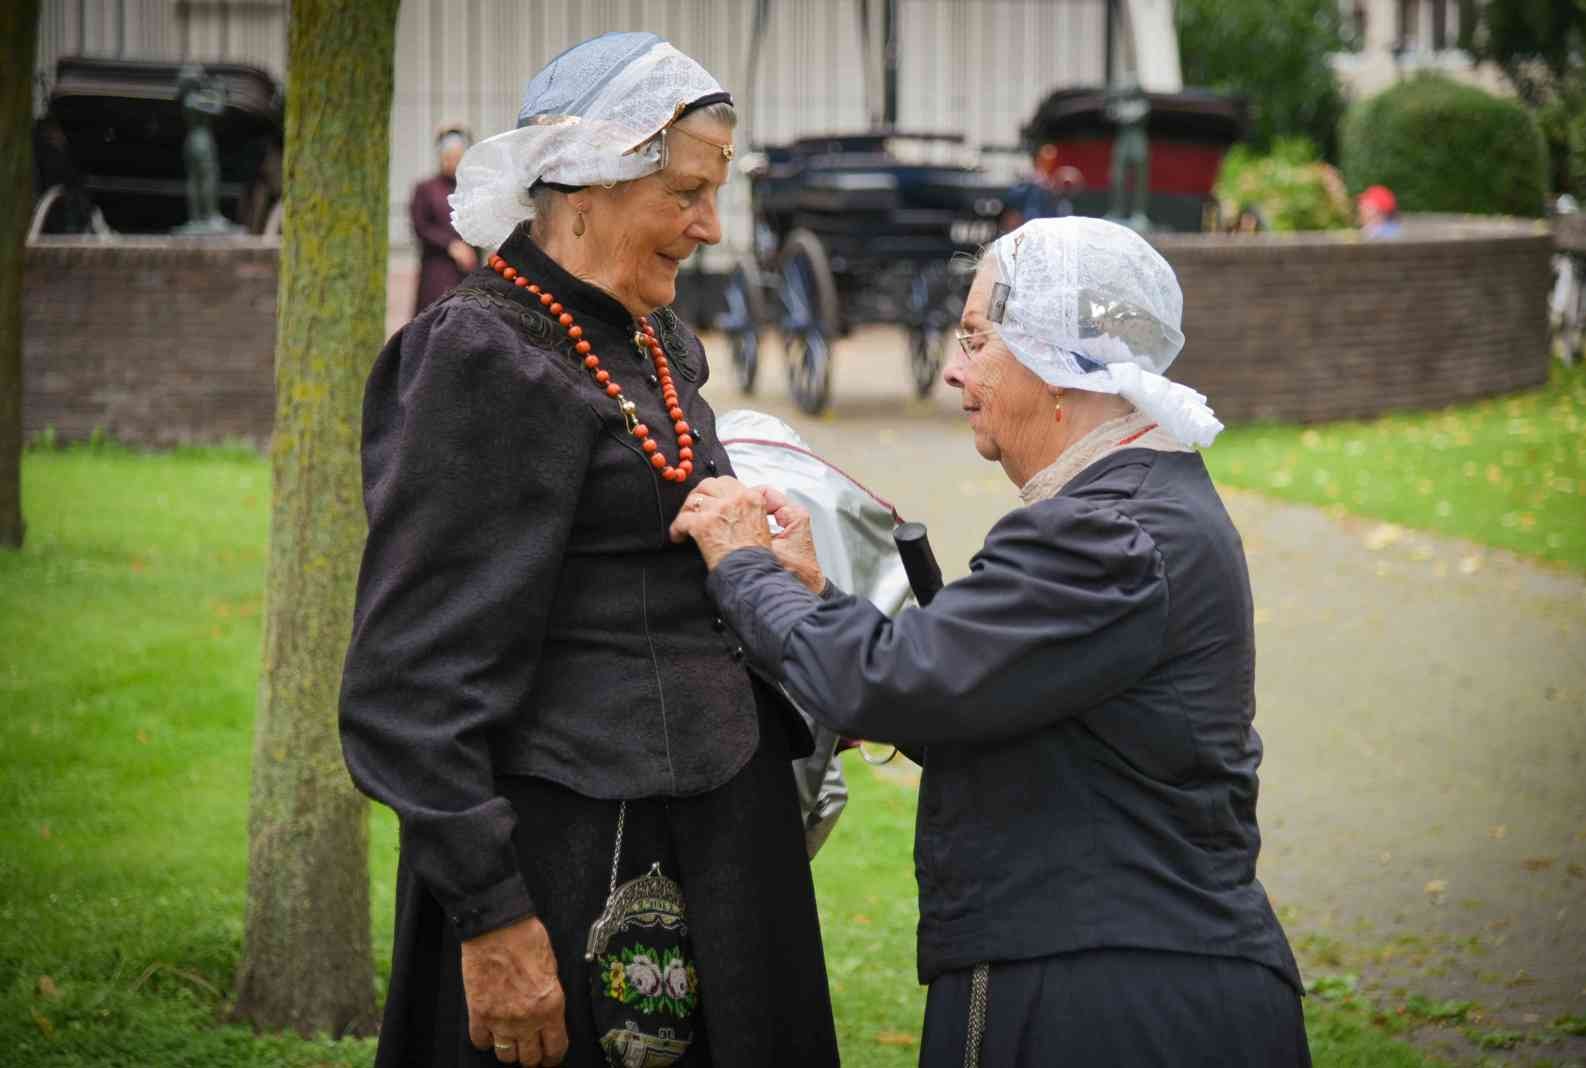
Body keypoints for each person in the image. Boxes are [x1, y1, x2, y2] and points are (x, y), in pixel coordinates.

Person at [671, 217, 1310, 1067]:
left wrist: (745, 567)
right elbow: (970, 697)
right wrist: (816, 594)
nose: (954, 369)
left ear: (1056, 363)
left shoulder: (1106, 535)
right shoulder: (1139, 506)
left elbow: (895, 685)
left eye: (976, 339)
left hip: (1108, 1001)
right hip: (1137, 973)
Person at [340, 32, 838, 1068]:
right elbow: (409, 679)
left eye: (715, 194)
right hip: (569, 852)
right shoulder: (483, 356)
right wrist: (490, 911)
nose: (709, 227)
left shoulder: (650, 336)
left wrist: (750, 558)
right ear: (583, 188)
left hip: (715, 832)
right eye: (686, 194)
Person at [410, 125, 478, 313]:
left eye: (458, 157)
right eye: (449, 157)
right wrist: (451, 245)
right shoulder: (426, 189)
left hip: (468, 271)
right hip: (437, 270)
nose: (453, 162)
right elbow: (421, 226)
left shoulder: (473, 189)